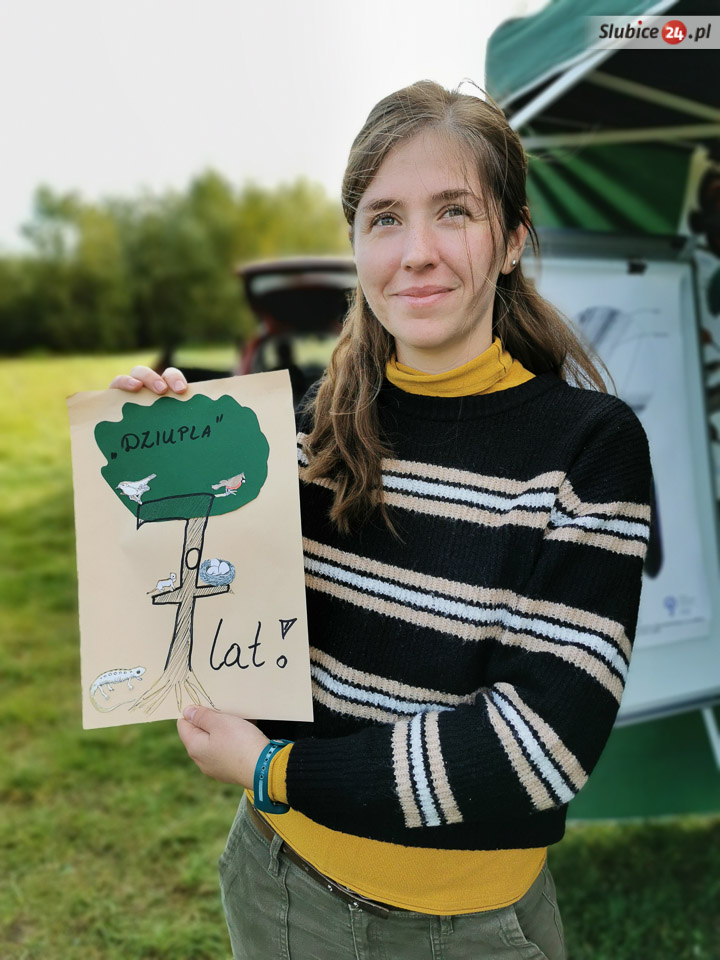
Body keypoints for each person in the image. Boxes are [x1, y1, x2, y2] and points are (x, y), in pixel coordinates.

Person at [111, 80, 653, 960]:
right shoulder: (299, 428)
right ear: (357, 245)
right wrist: (172, 453)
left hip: (469, 928)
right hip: (277, 884)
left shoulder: (587, 448)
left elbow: (538, 747)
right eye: (386, 219)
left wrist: (275, 770)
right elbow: (217, 631)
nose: (418, 253)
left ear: (513, 240)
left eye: (455, 212)